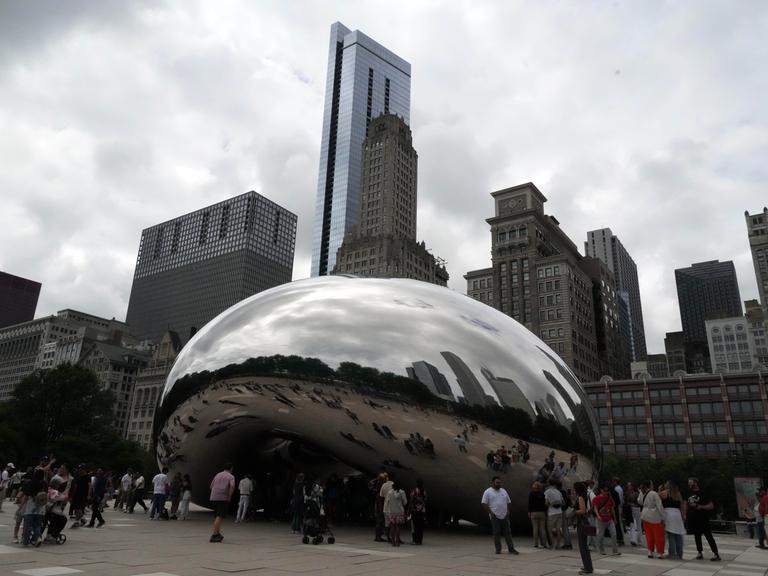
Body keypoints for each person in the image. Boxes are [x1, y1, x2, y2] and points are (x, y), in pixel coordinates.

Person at [481, 476, 519, 555]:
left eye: (500, 482)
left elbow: (509, 502)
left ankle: (511, 548)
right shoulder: (488, 492)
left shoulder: (503, 491)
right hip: (495, 516)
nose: (499, 484)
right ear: (492, 483)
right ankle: (498, 549)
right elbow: (484, 503)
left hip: (504, 516)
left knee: (508, 533)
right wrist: (490, 513)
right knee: (496, 533)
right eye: (497, 482)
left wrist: (508, 511)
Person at [687, 477, 720, 561]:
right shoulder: (688, 493)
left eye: (691, 482)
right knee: (697, 536)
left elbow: (711, 506)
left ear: (696, 483)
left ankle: (716, 553)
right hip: (693, 518)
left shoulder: (703, 493)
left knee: (708, 535)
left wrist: (701, 506)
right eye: (688, 483)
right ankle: (699, 552)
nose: (689, 484)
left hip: (703, 518)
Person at [638, 480, 665, 559]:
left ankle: (650, 551)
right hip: (654, 517)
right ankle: (660, 552)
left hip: (645, 515)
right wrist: (663, 517)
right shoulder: (654, 493)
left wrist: (640, 492)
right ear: (650, 485)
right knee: (658, 535)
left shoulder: (642, 492)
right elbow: (659, 505)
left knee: (649, 535)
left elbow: (639, 502)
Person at [209, 463, 235, 542]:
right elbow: (232, 486)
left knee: (217, 516)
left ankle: (217, 533)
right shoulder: (230, 476)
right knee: (220, 516)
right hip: (223, 498)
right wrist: (229, 497)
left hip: (214, 497)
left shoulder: (217, 475)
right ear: (231, 468)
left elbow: (211, 486)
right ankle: (214, 535)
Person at [659, 481, 685, 560]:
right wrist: (683, 515)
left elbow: (657, 499)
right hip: (677, 514)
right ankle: (680, 554)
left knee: (671, 535)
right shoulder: (678, 494)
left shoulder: (664, 493)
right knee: (678, 535)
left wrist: (659, 490)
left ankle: (672, 554)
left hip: (668, 514)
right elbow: (681, 505)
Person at [22, 468, 47, 546]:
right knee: (37, 525)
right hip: (40, 507)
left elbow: (26, 495)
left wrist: (21, 506)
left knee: (28, 525)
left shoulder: (33, 482)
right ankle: (38, 538)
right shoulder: (44, 483)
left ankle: (26, 541)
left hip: (31, 506)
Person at [593, 484, 620, 556]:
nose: (606, 492)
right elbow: (595, 508)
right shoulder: (597, 498)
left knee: (614, 534)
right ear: (601, 490)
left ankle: (615, 550)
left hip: (609, 518)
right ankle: (601, 549)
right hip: (601, 519)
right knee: (601, 535)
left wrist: (615, 518)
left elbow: (612, 509)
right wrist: (598, 516)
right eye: (605, 490)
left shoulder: (609, 498)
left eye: (607, 491)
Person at [574, 482, 594, 575]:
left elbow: (582, 510)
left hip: (581, 522)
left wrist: (574, 511)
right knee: (584, 546)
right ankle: (588, 566)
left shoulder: (581, 498)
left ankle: (587, 568)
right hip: (583, 521)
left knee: (583, 546)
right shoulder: (584, 496)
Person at [383, 480, 407, 547]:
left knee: (392, 527)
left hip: (392, 512)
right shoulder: (402, 492)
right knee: (398, 527)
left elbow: (387, 502)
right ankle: (397, 541)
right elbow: (405, 502)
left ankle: (393, 542)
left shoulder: (389, 492)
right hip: (399, 512)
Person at [545, 479, 565, 550]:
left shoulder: (547, 491)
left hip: (551, 513)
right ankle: (558, 545)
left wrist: (551, 504)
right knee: (558, 529)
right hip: (559, 512)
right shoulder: (558, 492)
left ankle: (552, 545)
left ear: (549, 484)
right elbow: (563, 503)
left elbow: (546, 503)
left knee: (550, 529)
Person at [528, 481, 548, 548]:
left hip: (534, 512)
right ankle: (544, 544)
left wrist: (529, 512)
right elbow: (545, 504)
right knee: (542, 528)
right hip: (542, 512)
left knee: (535, 528)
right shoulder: (543, 494)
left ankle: (535, 544)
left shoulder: (531, 494)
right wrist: (545, 512)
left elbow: (530, 503)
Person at [408, 479, 427, 545]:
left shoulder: (414, 491)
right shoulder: (424, 491)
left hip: (414, 510)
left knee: (414, 526)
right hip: (421, 511)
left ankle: (414, 540)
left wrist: (409, 510)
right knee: (420, 526)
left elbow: (411, 501)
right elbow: (425, 500)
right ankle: (419, 540)